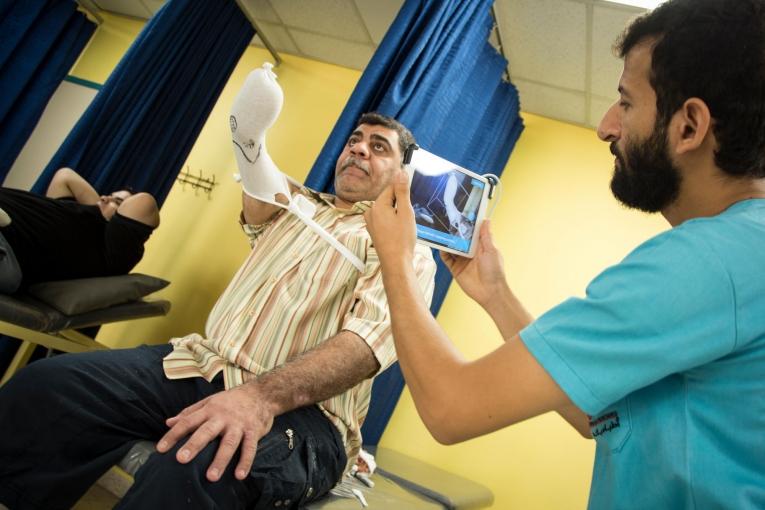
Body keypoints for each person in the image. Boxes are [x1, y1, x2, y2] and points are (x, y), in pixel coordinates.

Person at [364, 0, 765, 508]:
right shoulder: (746, 255)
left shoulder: (710, 261)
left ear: (689, 126)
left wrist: (396, 261)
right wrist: (495, 294)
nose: (606, 126)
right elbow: (596, 417)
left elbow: (450, 407)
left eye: (626, 102)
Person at [0, 112, 436, 509]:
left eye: (379, 147)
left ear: (403, 175)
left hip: (307, 415)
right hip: (200, 365)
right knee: (46, 388)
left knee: (198, 465)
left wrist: (259, 397)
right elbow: (258, 178)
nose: (359, 148)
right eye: (355, 140)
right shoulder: (296, 206)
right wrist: (249, 134)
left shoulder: (404, 250)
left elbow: (365, 348)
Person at [0, 167, 160, 292]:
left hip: (9, 255)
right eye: (109, 195)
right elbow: (65, 175)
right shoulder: (71, 214)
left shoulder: (110, 249)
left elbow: (145, 202)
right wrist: (99, 205)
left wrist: (105, 212)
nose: (105, 197)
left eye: (117, 201)